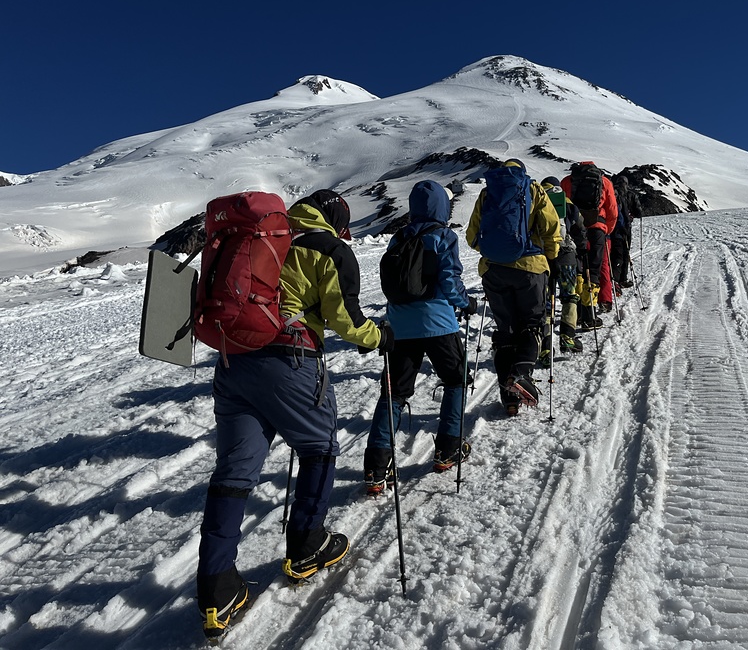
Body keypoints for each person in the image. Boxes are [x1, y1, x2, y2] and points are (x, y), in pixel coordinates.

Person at [196, 189, 393, 641]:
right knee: (319, 445)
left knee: (235, 468)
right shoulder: (327, 249)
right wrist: (378, 338)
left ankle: (216, 586)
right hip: (289, 360)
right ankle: (308, 544)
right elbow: (345, 318)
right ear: (337, 222)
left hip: (233, 359)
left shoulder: (256, 237)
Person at [364, 180, 477, 494]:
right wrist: (466, 303)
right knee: (455, 380)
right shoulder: (443, 236)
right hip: (439, 323)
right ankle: (448, 448)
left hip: (400, 326)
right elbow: (450, 280)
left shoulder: (398, 238)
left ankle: (376, 464)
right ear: (442, 206)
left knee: (394, 393)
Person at [467, 159, 560, 416]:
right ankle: (521, 374)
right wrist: (549, 257)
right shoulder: (533, 190)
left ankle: (510, 400)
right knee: (532, 324)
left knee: (505, 332)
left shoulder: (488, 193)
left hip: (493, 271)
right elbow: (551, 228)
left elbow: (472, 236)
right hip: (531, 267)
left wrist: (495, 253)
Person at [560, 162, 617, 331]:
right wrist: (607, 229)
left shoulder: (567, 181)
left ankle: (575, 313)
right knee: (593, 270)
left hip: (575, 230)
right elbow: (612, 210)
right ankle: (590, 315)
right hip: (597, 229)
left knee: (577, 270)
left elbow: (561, 208)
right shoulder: (604, 181)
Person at [539, 176, 587, 365]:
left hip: (544, 257)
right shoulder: (567, 202)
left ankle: (545, 347)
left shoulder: (537, 199)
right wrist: (582, 250)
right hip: (567, 254)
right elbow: (580, 228)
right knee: (569, 296)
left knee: (545, 301)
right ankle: (568, 337)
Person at [609, 174, 642, 289]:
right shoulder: (631, 195)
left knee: (613, 252)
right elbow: (639, 212)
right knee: (624, 252)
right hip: (625, 228)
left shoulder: (613, 193)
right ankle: (621, 279)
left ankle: (613, 277)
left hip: (611, 227)